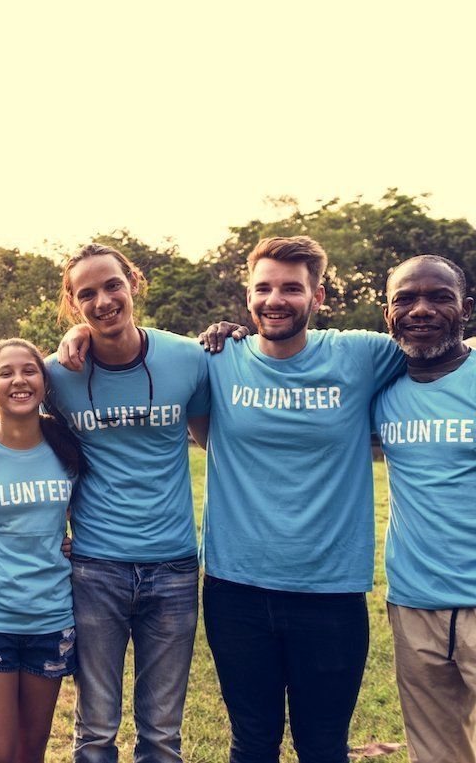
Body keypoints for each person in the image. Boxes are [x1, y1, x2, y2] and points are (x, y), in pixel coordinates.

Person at [196, 236, 403, 763]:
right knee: (252, 741)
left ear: (318, 296)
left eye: (292, 288)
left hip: (330, 592)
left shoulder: (361, 353)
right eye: (263, 287)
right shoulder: (218, 360)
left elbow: (443, 346)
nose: (275, 299)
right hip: (235, 588)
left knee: (323, 745)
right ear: (246, 296)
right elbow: (132, 349)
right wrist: (80, 332)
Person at [46, 244, 209, 763]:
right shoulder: (57, 375)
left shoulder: (187, 358)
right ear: (73, 305)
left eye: (112, 285)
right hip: (96, 568)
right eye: (86, 294)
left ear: (133, 282)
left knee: (162, 734)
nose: (103, 301)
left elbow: (212, 439)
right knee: (94, 730)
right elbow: (20, 433)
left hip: (175, 567)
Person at [372, 255, 476, 763]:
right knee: (437, 754)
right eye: (405, 299)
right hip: (414, 603)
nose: (421, 310)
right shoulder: (379, 387)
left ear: (467, 309)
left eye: (439, 297)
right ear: (386, 313)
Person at [0, 338, 82, 763]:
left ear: (44, 382)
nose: (19, 380)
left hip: (51, 619)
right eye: (6, 372)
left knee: (31, 753)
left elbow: (89, 510)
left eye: (29, 371)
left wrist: (73, 544)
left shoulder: (67, 448)